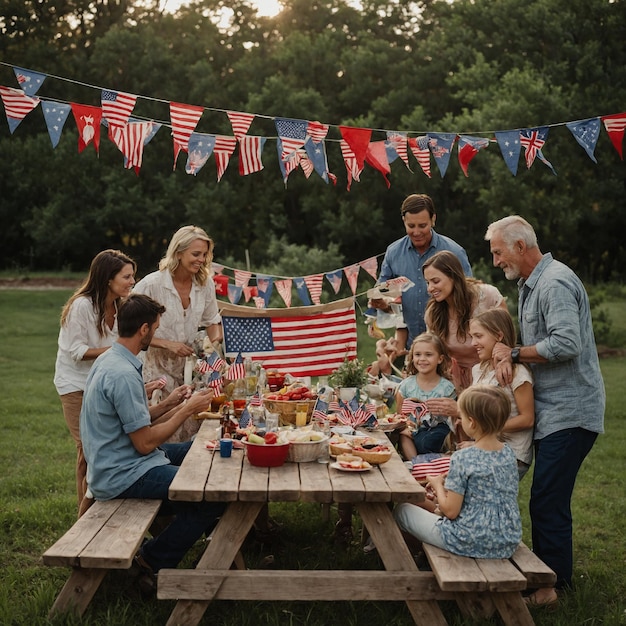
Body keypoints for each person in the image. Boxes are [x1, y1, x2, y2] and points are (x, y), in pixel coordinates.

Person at [485, 216, 605, 608]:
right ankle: (549, 578)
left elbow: (566, 343)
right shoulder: (530, 284)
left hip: (571, 411)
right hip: (553, 410)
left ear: (521, 247)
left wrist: (515, 353)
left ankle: (550, 588)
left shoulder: (553, 283)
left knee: (547, 498)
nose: (495, 261)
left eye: (498, 252)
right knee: (546, 496)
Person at [80, 293, 225, 587]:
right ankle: (151, 560)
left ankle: (204, 539)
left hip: (128, 459)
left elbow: (135, 423)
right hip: (123, 473)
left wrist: (170, 403)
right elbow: (144, 443)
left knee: (200, 450)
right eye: (155, 328)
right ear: (144, 329)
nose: (155, 333)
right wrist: (186, 410)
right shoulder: (121, 373)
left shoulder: (113, 359)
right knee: (213, 494)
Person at [394, 385, 522, 559]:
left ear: (472, 422)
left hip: (468, 541)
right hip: (506, 541)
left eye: (461, 417)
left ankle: (417, 560)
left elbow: (451, 512)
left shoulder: (463, 458)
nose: (459, 421)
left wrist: (437, 485)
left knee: (402, 511)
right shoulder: (508, 453)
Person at [54, 250, 136, 514]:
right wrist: (117, 351)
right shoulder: (82, 306)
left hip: (103, 385)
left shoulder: (120, 305)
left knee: (109, 449)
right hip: (76, 385)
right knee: (88, 452)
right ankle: (84, 519)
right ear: (107, 279)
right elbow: (76, 352)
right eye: (127, 276)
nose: (132, 281)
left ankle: (106, 510)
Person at [134, 225, 223, 441]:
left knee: (192, 424)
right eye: (195, 254)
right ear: (179, 252)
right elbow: (129, 329)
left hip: (189, 367)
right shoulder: (151, 284)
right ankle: (161, 471)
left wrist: (216, 346)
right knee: (162, 427)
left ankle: (190, 472)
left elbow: (212, 321)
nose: (201, 259)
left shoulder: (205, 284)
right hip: (154, 367)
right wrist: (167, 344)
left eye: (204, 254)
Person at [372, 194, 473, 351]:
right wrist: (382, 303)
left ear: (433, 219)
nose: (417, 232)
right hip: (410, 345)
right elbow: (383, 291)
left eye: (422, 225)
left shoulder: (454, 251)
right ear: (404, 221)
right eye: (411, 226)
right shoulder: (393, 252)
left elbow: (470, 295)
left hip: (449, 343)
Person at [422, 250, 507, 394]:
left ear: (453, 277)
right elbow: (432, 350)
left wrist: (505, 361)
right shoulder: (433, 313)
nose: (430, 288)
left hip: (493, 374)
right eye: (427, 282)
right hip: (456, 380)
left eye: (435, 281)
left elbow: (506, 337)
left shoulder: (487, 296)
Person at [468, 308, 534, 479]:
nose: (473, 343)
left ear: (498, 336)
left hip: (512, 453)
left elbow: (528, 419)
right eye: (471, 337)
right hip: (485, 445)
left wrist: (485, 429)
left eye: (478, 336)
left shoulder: (517, 372)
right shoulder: (478, 370)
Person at [395, 333, 456, 460]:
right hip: (412, 431)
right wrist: (407, 428)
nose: (422, 359)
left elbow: (452, 418)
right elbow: (400, 415)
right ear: (412, 358)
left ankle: (437, 460)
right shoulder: (406, 386)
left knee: (430, 439)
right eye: (418, 355)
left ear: (440, 359)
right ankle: (416, 463)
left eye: (428, 355)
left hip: (437, 430)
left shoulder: (446, 387)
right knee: (402, 435)